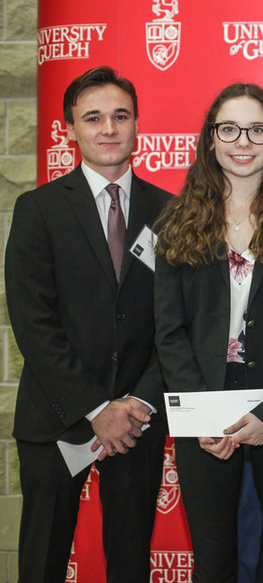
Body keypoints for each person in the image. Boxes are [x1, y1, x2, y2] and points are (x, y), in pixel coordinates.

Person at [154, 83, 263, 583]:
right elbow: (169, 333)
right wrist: (202, 415)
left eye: (257, 129)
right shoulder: (175, 225)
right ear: (210, 139)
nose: (242, 141)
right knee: (213, 562)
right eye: (229, 128)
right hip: (203, 411)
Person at [6, 65, 171, 583]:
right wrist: (96, 407)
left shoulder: (171, 212)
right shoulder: (38, 210)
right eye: (93, 117)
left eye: (120, 116)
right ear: (70, 129)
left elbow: (177, 323)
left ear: (137, 124)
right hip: (57, 417)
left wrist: (136, 404)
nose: (108, 128)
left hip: (136, 422)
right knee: (43, 562)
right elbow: (33, 322)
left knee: (130, 564)